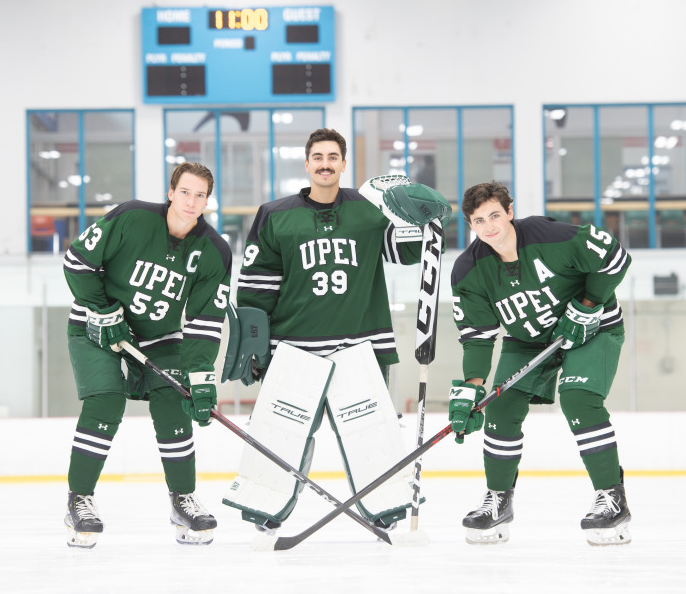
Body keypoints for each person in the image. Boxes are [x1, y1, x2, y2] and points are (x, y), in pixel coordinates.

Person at [221, 128, 450, 535]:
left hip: (361, 344)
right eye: (317, 157)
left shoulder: (372, 209)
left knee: (372, 432)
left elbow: (404, 253)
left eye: (333, 156)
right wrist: (255, 343)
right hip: (294, 349)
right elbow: (257, 284)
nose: (325, 163)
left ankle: (385, 505)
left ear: (344, 163)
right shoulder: (275, 214)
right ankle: (268, 507)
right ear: (307, 163)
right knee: (283, 434)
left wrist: (423, 222)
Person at [447, 180, 633, 546]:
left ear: (510, 212)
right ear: (471, 225)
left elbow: (615, 258)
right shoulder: (469, 269)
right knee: (500, 406)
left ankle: (612, 498)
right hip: (529, 340)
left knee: (578, 398)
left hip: (593, 327)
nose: (489, 226)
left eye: (495, 215)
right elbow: (478, 336)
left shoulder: (551, 236)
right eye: (479, 220)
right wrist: (472, 387)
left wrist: (589, 304)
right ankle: (498, 499)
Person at [62, 162, 232, 548]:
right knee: (105, 402)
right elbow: (77, 262)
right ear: (171, 192)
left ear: (208, 201)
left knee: (175, 398)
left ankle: (182, 499)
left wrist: (201, 376)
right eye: (185, 192)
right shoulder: (132, 217)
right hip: (96, 324)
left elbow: (206, 322)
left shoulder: (215, 251)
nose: (191, 202)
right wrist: (102, 309)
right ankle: (79, 500)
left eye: (200, 195)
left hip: (158, 337)